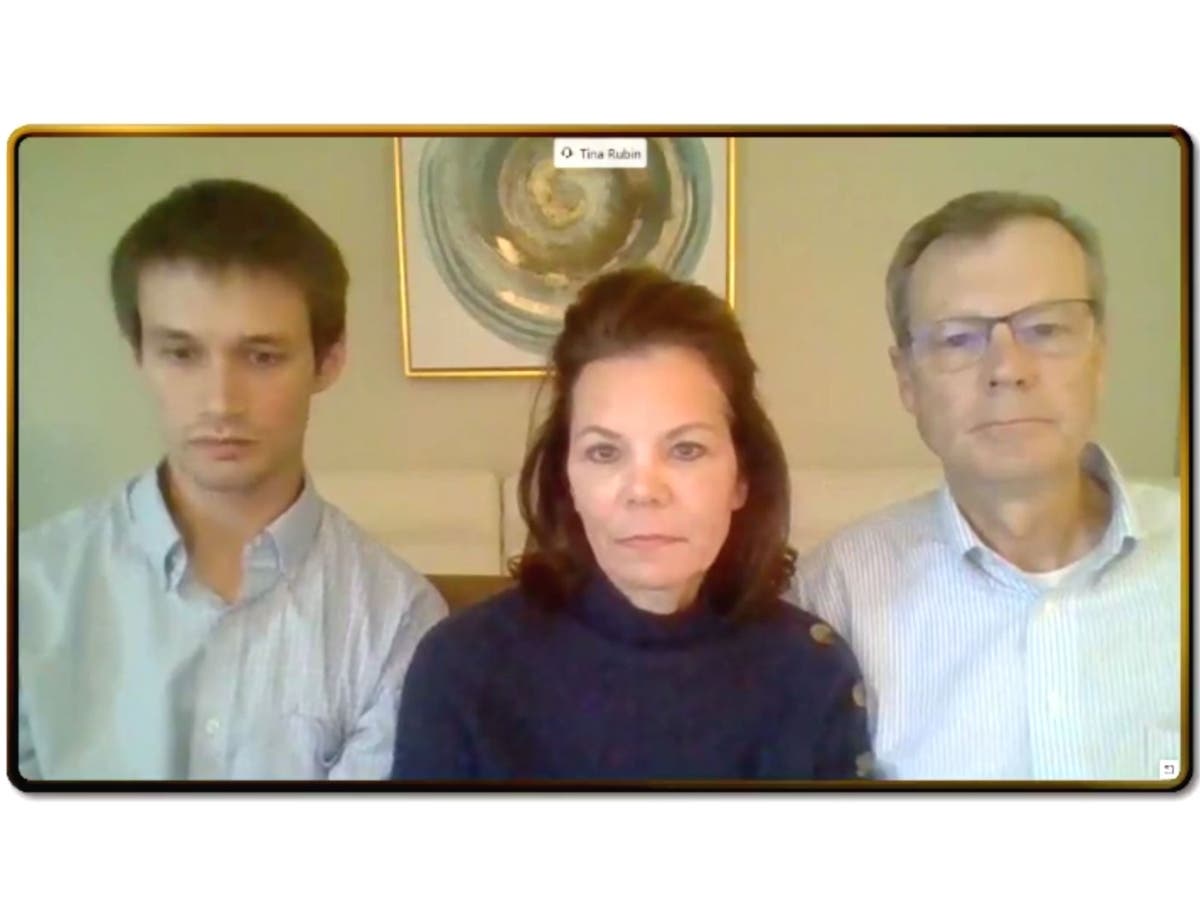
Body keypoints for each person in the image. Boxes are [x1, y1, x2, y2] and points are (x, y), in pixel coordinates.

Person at [17, 178, 446, 780]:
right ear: (137, 354)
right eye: (181, 353)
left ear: (329, 360)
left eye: (262, 356)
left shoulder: (397, 619)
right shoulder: (31, 590)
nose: (221, 401)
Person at [392, 268, 871, 781]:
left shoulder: (811, 670)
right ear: (566, 481)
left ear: (742, 478)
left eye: (686, 450)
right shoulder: (461, 668)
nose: (643, 490)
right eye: (604, 452)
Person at [793, 190, 1181, 780]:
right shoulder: (834, 596)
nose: (1007, 369)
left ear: (1099, 356)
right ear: (907, 382)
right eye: (958, 339)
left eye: (1046, 329)